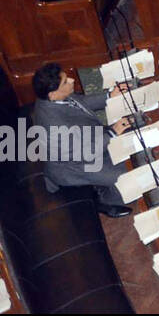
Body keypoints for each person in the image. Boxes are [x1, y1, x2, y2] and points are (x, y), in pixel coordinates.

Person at [30, 63, 129, 216]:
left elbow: (80, 103)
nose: (71, 80)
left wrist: (109, 95)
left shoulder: (51, 98)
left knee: (128, 146)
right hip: (76, 165)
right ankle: (104, 199)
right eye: (65, 82)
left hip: (86, 141)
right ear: (52, 94)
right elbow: (82, 154)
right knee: (129, 174)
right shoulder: (54, 127)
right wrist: (112, 133)